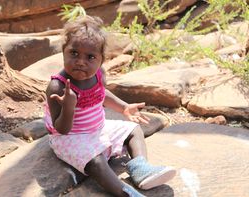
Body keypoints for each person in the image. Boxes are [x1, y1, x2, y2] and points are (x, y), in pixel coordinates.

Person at [44, 15, 176, 197]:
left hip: (99, 128)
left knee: (133, 130)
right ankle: (125, 193)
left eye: (90, 57)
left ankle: (141, 169)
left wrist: (123, 108)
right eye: (74, 53)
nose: (81, 61)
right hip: (71, 138)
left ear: (101, 59)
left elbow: (101, 93)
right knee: (96, 162)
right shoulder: (57, 86)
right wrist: (69, 107)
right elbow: (62, 129)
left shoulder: (98, 74)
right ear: (63, 51)